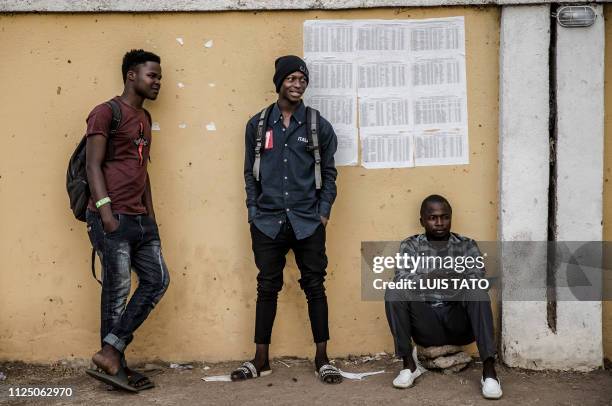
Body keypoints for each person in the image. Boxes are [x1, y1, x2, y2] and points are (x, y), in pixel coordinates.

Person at [234, 55, 341, 384]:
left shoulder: (317, 125)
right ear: (279, 82)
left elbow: (331, 174)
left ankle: (322, 358)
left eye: (302, 80)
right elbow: (249, 174)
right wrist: (253, 210)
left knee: (315, 287)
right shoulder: (258, 124)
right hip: (267, 222)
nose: (297, 85)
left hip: (308, 222)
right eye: (292, 79)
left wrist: (323, 214)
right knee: (267, 287)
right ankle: (260, 358)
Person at [84, 49, 169, 392]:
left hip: (140, 217)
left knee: (157, 280)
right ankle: (116, 364)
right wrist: (106, 213)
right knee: (117, 291)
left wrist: (151, 216)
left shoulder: (145, 119)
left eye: (159, 77)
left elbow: (142, 170)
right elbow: (93, 165)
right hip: (112, 216)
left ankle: (110, 353)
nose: (158, 82)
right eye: (153, 75)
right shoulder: (106, 113)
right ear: (131, 75)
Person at [385, 195, 502, 399]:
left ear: (451, 218)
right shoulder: (410, 246)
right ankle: (408, 366)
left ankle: (490, 372)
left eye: (444, 217)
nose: (439, 222)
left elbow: (477, 275)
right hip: (426, 322)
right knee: (394, 290)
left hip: (458, 322)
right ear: (422, 220)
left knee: (476, 290)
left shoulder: (466, 245)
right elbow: (402, 276)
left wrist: (455, 277)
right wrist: (430, 276)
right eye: (432, 217)